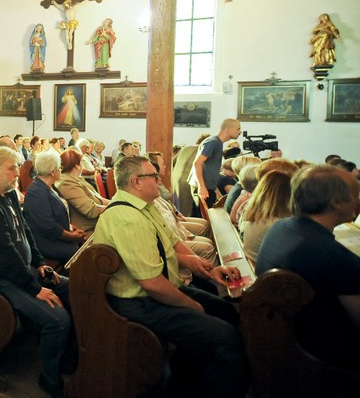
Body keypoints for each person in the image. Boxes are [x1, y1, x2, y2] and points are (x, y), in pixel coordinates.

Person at [90, 156, 249, 398]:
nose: (159, 179)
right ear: (136, 182)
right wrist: (191, 305)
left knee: (224, 311)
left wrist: (208, 269)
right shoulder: (127, 218)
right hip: (137, 302)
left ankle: (185, 383)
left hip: (154, 290)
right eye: (153, 176)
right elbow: (151, 284)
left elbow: (173, 245)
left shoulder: (145, 206)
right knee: (226, 339)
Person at [0, 147, 71, 397]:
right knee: (58, 320)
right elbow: (4, 256)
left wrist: (39, 263)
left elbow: (26, 232)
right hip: (1, 278)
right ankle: (49, 378)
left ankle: (67, 357)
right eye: (12, 168)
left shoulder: (9, 193)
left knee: (73, 288)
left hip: (23, 270)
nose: (18, 173)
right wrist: (36, 288)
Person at [255, 165, 360, 381]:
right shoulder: (335, 257)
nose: (359, 200)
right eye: (356, 194)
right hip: (320, 358)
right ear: (336, 202)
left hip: (280, 341)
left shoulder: (281, 227)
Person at [24, 151, 86, 263]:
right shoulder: (36, 192)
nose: (61, 170)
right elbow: (48, 227)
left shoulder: (50, 186)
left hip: (58, 235)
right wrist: (72, 236)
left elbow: (59, 213)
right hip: (47, 242)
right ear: (52, 172)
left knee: (86, 246)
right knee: (80, 254)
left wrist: (72, 228)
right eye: (59, 167)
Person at [239, 170, 293, 265]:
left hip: (257, 267)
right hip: (271, 276)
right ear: (287, 194)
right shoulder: (277, 224)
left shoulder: (255, 216)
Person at [54, 149, 108, 234]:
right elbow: (91, 210)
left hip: (99, 221)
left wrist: (117, 202)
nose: (83, 165)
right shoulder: (66, 183)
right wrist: (116, 207)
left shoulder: (76, 178)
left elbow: (99, 199)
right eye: (81, 162)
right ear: (76, 166)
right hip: (88, 229)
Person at [192, 118, 242, 209]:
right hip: (205, 191)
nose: (240, 132)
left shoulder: (218, 143)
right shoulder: (213, 142)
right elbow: (197, 163)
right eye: (238, 129)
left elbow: (209, 170)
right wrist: (202, 187)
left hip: (209, 189)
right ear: (228, 129)